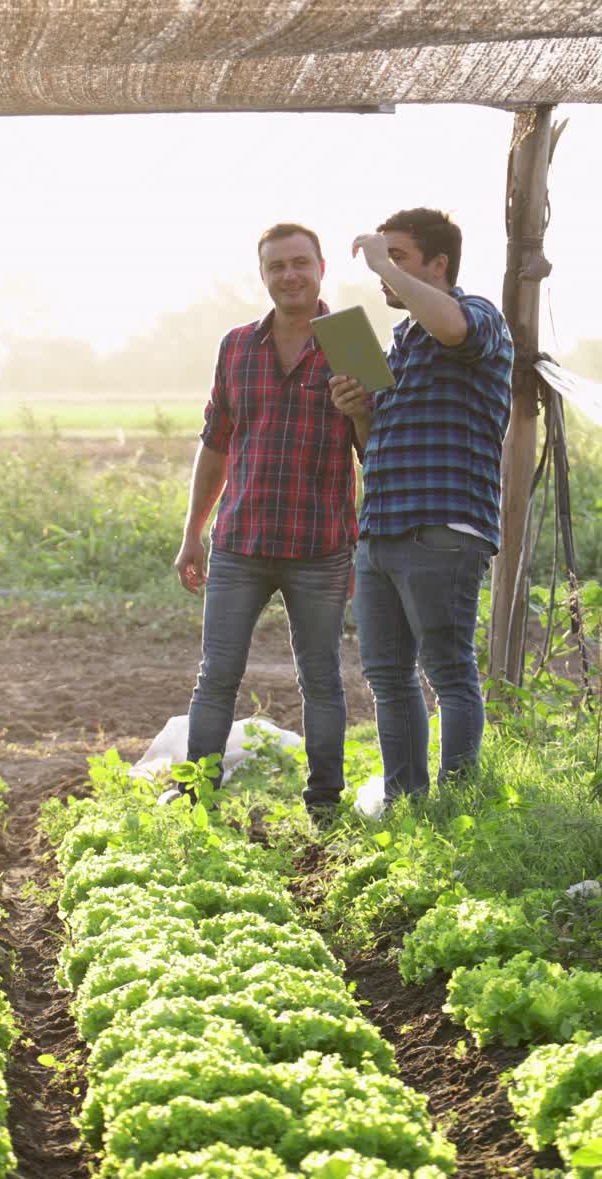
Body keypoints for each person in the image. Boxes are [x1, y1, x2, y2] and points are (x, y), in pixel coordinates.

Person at [167, 222, 359, 817]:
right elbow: (216, 444)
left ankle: (324, 799)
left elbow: (377, 449)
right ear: (264, 275)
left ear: (322, 267)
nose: (289, 275)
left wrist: (361, 412)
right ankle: (198, 793)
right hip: (239, 542)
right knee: (217, 674)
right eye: (277, 266)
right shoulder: (236, 346)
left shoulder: (350, 339)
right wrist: (192, 533)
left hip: (321, 545)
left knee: (321, 679)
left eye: (300, 263)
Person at [330, 207, 513, 806]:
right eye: (385, 262)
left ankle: (459, 807)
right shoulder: (401, 342)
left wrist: (382, 261)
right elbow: (377, 446)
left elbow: (456, 327)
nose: (385, 274)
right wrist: (359, 412)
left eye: (399, 258)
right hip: (381, 528)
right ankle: (410, 804)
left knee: (450, 673)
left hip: (443, 526)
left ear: (439, 265)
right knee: (387, 677)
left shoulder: (477, 316)